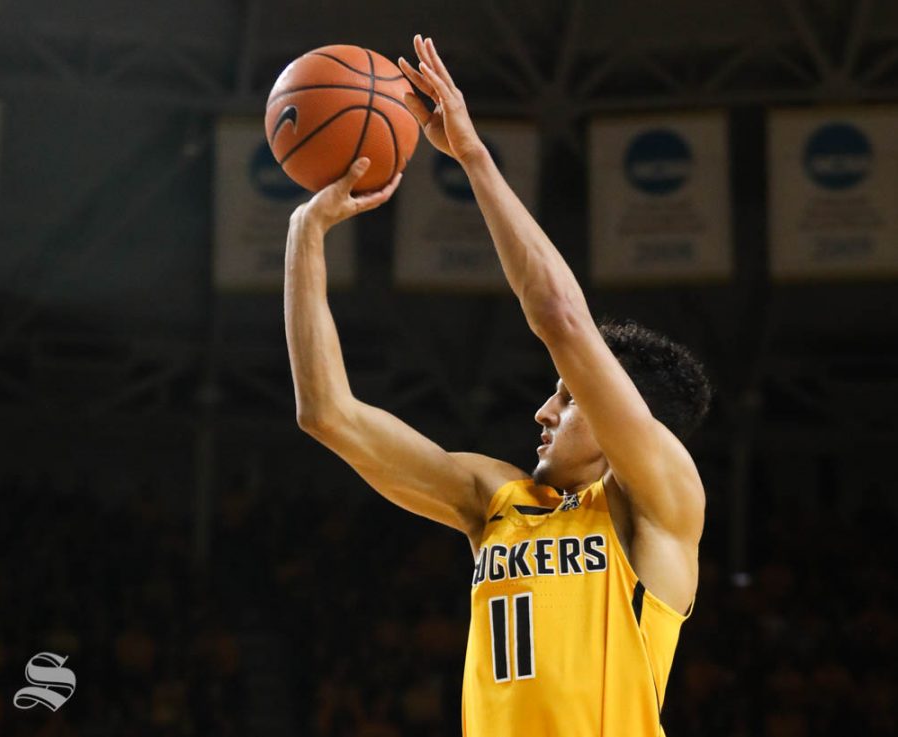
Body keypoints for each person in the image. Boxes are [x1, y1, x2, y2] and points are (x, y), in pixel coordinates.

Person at [284, 34, 712, 737]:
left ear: (624, 417)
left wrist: (474, 156)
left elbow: (561, 318)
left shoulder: (659, 504)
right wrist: (306, 236)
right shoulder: (495, 501)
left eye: (569, 397)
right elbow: (327, 413)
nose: (544, 408)